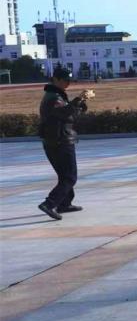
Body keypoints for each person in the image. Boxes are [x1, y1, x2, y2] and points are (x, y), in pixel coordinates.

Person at [37, 67, 94, 220]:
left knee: (64, 176)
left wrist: (80, 103)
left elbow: (69, 115)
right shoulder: (53, 97)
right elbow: (64, 113)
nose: (67, 83)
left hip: (57, 140)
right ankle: (49, 204)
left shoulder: (57, 95)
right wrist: (78, 100)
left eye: (69, 80)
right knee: (70, 177)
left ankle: (64, 204)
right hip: (59, 141)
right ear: (55, 79)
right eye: (64, 80)